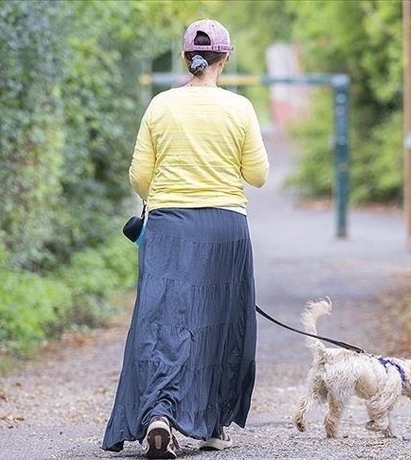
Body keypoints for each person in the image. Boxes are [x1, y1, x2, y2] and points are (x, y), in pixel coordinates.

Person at [101, 18, 270, 459]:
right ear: (225, 59)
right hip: (224, 227)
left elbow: (140, 176)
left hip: (169, 227)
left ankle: (159, 413)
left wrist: (165, 197)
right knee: (219, 322)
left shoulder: (160, 105)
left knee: (163, 322)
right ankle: (212, 425)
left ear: (185, 58)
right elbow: (258, 175)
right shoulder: (239, 109)